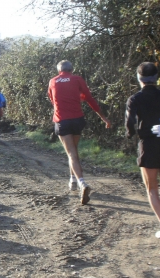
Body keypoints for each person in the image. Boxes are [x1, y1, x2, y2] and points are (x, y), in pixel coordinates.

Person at [47, 60, 110, 205]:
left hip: (62, 120)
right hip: (77, 120)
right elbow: (89, 99)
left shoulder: (53, 81)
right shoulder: (77, 79)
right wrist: (104, 117)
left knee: (71, 154)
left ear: (59, 70)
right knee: (74, 151)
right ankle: (73, 180)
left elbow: (52, 99)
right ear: (72, 69)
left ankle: (82, 183)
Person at [125, 62, 160, 241]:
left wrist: (130, 134)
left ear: (139, 78)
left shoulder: (134, 99)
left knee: (152, 189)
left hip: (148, 146)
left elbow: (129, 124)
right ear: (157, 78)